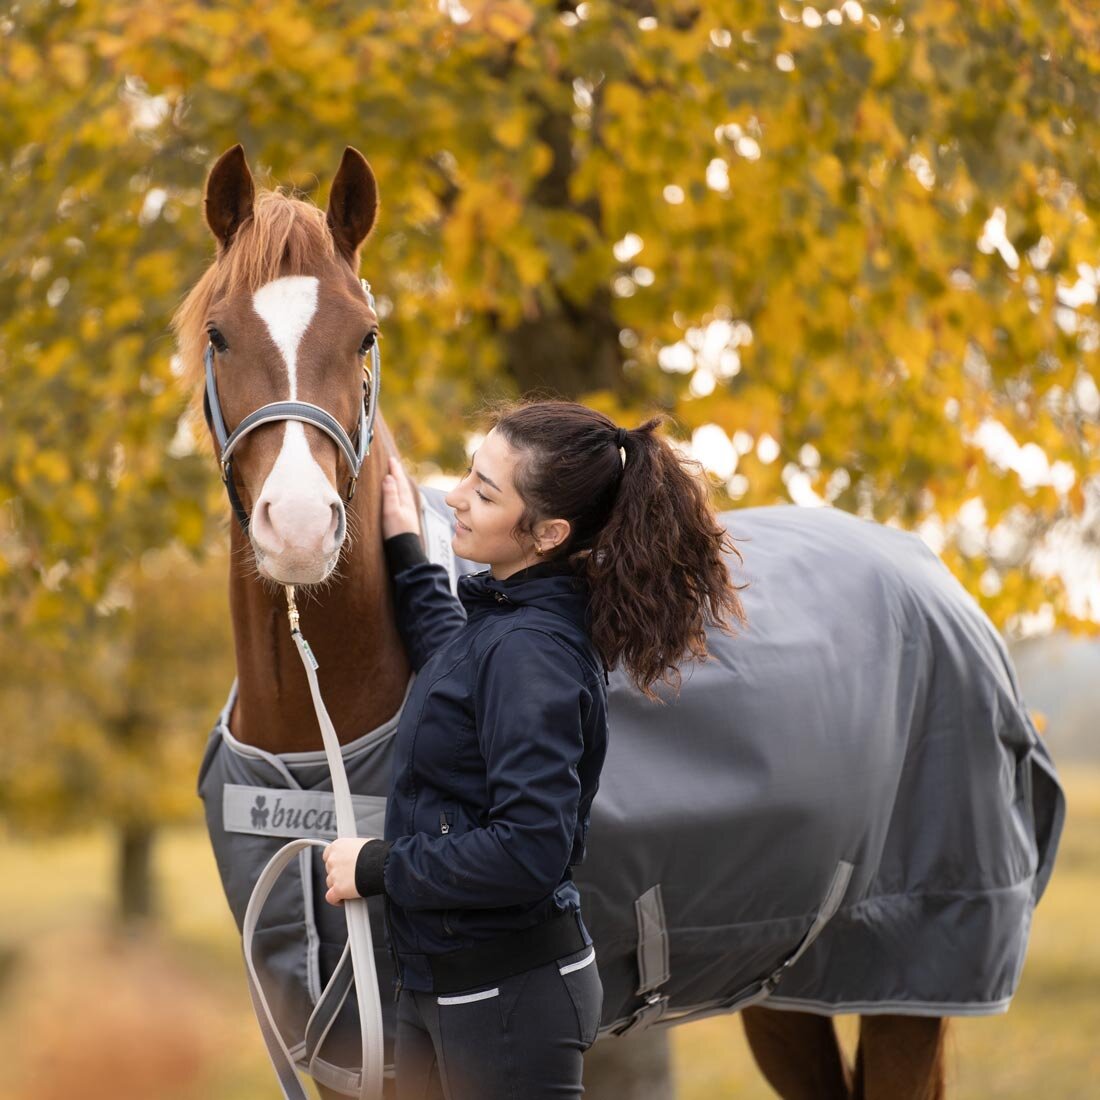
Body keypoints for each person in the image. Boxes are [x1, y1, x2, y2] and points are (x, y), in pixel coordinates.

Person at [323, 399, 748, 1099]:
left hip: (503, 1000)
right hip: (448, 983)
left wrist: (378, 866)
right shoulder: (508, 618)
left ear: (547, 533)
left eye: (485, 492)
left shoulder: (534, 655)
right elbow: (453, 669)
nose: (454, 497)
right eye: (468, 472)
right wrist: (406, 549)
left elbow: (529, 851)